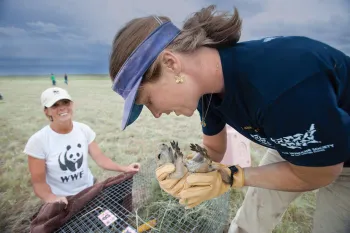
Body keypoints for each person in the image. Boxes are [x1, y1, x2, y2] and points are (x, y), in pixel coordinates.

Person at [108, 5, 350, 233]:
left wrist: (231, 176)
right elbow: (214, 149)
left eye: (149, 101)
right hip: (287, 140)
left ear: (171, 63)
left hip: (339, 161)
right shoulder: (207, 91)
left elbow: (320, 173)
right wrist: (188, 169)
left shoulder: (281, 87)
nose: (156, 113)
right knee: (251, 216)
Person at [24, 87, 140, 206]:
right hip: (63, 199)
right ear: (46, 111)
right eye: (54, 105)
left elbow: (101, 159)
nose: (62, 107)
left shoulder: (83, 130)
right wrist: (52, 198)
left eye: (65, 102)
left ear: (72, 104)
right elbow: (38, 183)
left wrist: (125, 168)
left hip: (89, 190)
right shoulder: (37, 141)